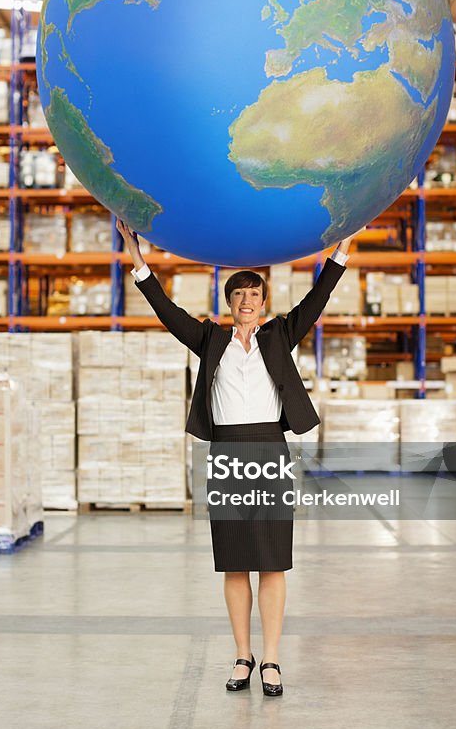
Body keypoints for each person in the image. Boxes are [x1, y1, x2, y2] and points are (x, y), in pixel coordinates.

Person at [116, 218, 352, 696]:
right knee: (234, 562)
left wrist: (343, 247)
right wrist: (136, 257)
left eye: (254, 295)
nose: (247, 303)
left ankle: (271, 660)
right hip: (226, 453)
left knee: (272, 562)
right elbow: (166, 310)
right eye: (239, 296)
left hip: (269, 449)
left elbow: (318, 299)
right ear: (229, 304)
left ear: (264, 302)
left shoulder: (280, 335)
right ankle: (242, 656)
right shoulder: (210, 341)